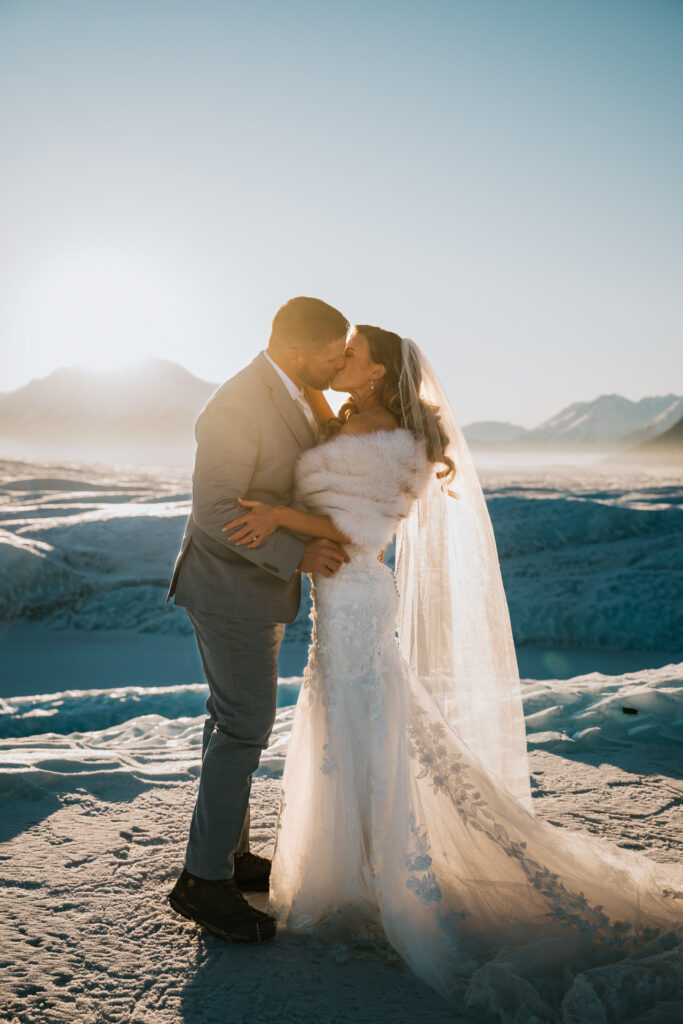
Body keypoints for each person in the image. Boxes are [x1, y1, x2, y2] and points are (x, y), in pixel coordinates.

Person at [226, 325, 683, 1017]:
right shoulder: (347, 419)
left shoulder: (397, 444)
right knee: (346, 725)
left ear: (379, 373)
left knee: (365, 721)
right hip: (335, 598)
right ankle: (354, 869)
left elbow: (363, 533)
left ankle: (371, 877)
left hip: (355, 596)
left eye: (350, 354)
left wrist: (278, 516)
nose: (337, 359)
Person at [166, 296, 350, 944]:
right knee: (245, 727)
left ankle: (229, 858)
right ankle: (201, 884)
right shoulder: (236, 405)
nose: (340, 363)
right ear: (296, 351)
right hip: (228, 589)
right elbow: (216, 507)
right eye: (332, 355)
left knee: (228, 721)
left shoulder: (296, 389)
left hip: (254, 591)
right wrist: (296, 553)